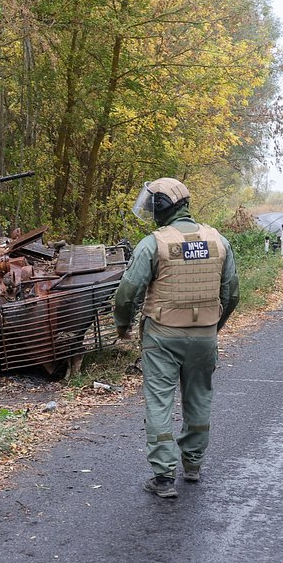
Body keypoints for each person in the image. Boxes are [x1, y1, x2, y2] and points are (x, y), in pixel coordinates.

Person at [112, 177, 239, 498]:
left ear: (160, 208)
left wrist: (123, 326)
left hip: (162, 338)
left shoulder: (153, 244)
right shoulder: (218, 241)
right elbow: (232, 293)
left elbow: (127, 293)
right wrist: (213, 326)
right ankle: (193, 466)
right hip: (204, 337)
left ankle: (164, 478)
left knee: (159, 401)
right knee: (199, 398)